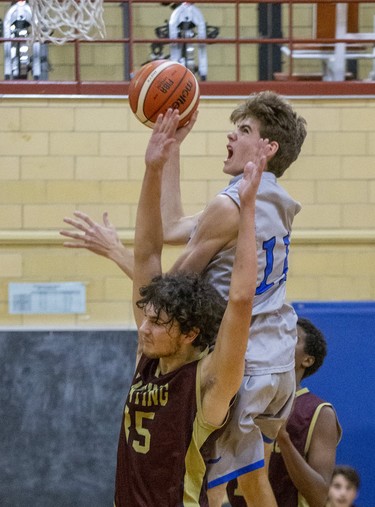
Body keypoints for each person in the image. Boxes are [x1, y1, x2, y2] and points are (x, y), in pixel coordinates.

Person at [61, 91, 307, 507]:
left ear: (268, 147)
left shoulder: (229, 206)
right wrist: (172, 150)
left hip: (240, 362)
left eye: (244, 130)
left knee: (209, 481)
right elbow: (175, 225)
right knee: (251, 479)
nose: (231, 134)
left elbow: (163, 289)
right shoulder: (276, 200)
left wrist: (118, 253)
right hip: (279, 356)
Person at [111, 107, 266, 505]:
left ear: (189, 333)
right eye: (147, 317)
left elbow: (241, 301)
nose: (144, 327)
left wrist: (247, 211)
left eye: (158, 323)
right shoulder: (148, 358)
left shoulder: (209, 385)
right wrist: (153, 168)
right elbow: (147, 254)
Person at [227, 316, 342, 506]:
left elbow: (320, 497)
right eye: (277, 335)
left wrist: (282, 437)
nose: (280, 341)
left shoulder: (319, 412)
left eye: (291, 337)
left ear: (307, 360)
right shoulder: (240, 401)